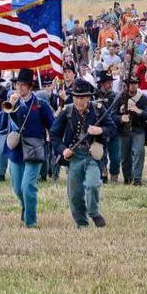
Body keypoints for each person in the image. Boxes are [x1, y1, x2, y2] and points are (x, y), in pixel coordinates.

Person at [51, 78, 116, 228]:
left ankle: (93, 212)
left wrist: (99, 130)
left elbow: (112, 129)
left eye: (82, 98)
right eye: (76, 97)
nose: (79, 101)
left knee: (93, 185)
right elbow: (54, 135)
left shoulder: (98, 109)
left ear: (88, 97)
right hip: (74, 157)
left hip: (92, 155)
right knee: (74, 195)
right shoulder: (67, 111)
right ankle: (82, 224)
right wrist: (63, 149)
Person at [0, 68, 54, 228]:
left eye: (23, 85)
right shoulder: (11, 101)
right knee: (17, 188)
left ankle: (30, 221)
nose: (19, 88)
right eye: (18, 84)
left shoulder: (41, 105)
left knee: (28, 186)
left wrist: (52, 141)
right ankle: (25, 206)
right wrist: (8, 108)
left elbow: (53, 126)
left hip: (34, 149)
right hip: (16, 150)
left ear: (29, 86)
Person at [118, 74, 147, 185]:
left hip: (138, 130)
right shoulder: (120, 97)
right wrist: (120, 116)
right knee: (125, 157)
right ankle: (127, 178)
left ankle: (137, 179)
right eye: (130, 84)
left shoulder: (142, 98)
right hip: (124, 131)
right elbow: (111, 115)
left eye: (134, 84)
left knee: (139, 152)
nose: (132, 86)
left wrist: (138, 111)